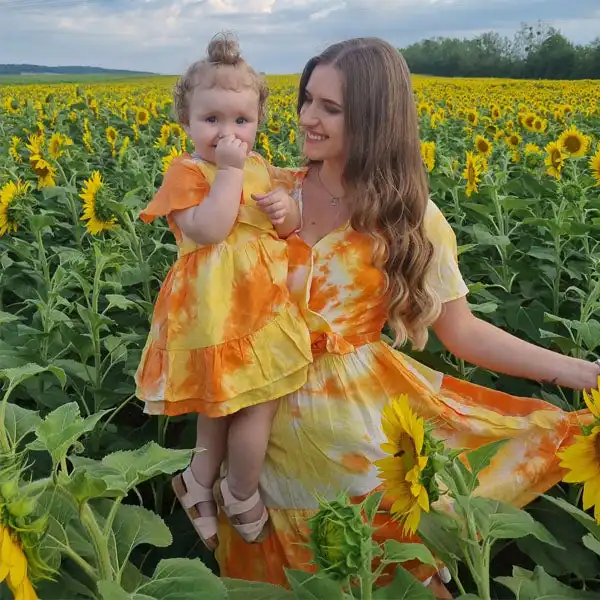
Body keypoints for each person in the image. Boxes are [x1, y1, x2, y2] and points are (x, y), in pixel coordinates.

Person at [213, 37, 600, 597]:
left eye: (330, 108)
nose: (307, 118)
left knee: (395, 577)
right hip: (260, 447)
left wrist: (582, 373)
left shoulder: (409, 218)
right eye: (307, 99)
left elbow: (461, 330)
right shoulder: (265, 190)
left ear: (374, 119)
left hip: (360, 449)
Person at [135, 33, 313, 550]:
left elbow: (277, 230)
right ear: (185, 120)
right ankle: (239, 491)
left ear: (258, 120)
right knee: (227, 410)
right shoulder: (188, 172)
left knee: (244, 406)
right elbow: (211, 229)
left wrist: (288, 211)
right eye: (212, 120)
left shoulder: (257, 167)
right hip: (214, 316)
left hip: (262, 308)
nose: (228, 133)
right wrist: (230, 173)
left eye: (242, 120)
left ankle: (201, 485)